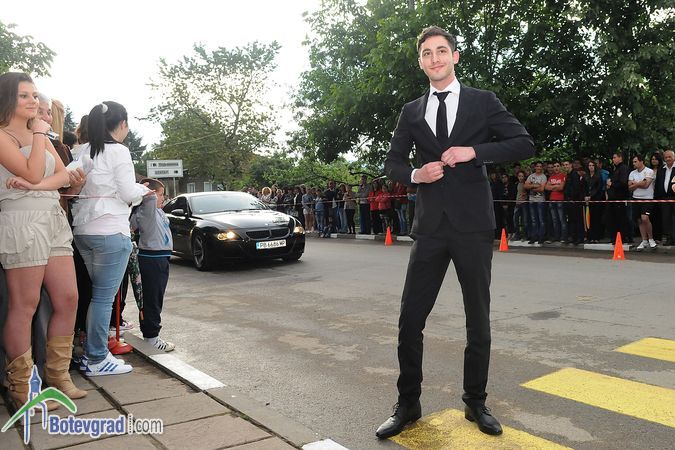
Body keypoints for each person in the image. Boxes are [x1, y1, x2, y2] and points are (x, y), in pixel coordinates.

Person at [378, 26, 534, 439]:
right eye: (427, 53)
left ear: (455, 56)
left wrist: (474, 152)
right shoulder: (411, 111)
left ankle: (475, 402)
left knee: (477, 319)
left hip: (473, 227)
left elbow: (523, 143)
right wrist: (417, 174)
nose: (435, 58)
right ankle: (408, 403)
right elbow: (393, 163)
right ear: (420, 62)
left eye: (441, 51)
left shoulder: (483, 101)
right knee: (410, 319)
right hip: (430, 228)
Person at [0, 72, 85, 407]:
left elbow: (63, 175)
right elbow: (34, 171)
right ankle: (22, 387)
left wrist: (36, 185)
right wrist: (38, 134)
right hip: (22, 220)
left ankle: (58, 375)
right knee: (25, 305)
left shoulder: (38, 132)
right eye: (24, 95)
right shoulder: (4, 135)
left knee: (68, 297)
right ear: (7, 98)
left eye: (35, 95)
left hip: (52, 216)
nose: (33, 101)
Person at [70, 101, 150, 376]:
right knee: (103, 298)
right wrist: (143, 190)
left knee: (97, 296)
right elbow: (128, 193)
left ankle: (92, 354)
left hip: (83, 230)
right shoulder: (119, 151)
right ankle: (96, 358)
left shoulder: (83, 150)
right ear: (122, 124)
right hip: (110, 230)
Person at [130, 178, 175, 351]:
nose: (163, 198)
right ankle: (151, 337)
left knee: (156, 297)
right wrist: (145, 191)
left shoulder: (158, 211)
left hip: (160, 258)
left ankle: (151, 334)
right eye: (161, 194)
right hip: (152, 258)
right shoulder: (147, 210)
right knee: (152, 299)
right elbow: (148, 199)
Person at [628, 154, 657, 250]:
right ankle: (644, 240)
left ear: (641, 161)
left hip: (647, 198)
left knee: (645, 218)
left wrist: (635, 183)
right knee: (639, 220)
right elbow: (630, 188)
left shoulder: (649, 171)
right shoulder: (632, 173)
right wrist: (641, 182)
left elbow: (646, 185)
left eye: (635, 161)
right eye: (633, 162)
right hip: (636, 198)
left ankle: (651, 239)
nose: (634, 163)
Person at [606, 152, 630, 243]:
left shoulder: (623, 168)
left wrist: (611, 184)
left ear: (620, 158)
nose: (613, 159)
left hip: (619, 197)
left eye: (614, 157)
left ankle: (622, 237)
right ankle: (615, 237)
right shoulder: (615, 169)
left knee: (620, 218)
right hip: (613, 198)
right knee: (613, 218)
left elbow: (623, 183)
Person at [654, 149, 675, 246]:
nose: (668, 159)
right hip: (664, 198)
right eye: (666, 157)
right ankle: (669, 238)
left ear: (674, 157)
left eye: (669, 157)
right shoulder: (661, 169)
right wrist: (657, 198)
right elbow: (657, 184)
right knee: (666, 219)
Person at [524, 162, 547, 244]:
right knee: (533, 220)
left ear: (542, 168)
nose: (539, 168)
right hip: (532, 200)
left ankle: (541, 237)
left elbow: (542, 189)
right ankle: (534, 236)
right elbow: (525, 186)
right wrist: (535, 185)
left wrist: (531, 186)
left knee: (541, 219)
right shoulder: (531, 176)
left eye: (540, 166)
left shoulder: (543, 176)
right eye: (537, 166)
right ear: (535, 167)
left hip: (540, 200)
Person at [545, 162, 567, 243]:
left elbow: (561, 188)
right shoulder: (551, 177)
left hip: (560, 200)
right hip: (552, 200)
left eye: (558, 166)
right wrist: (556, 186)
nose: (556, 168)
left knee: (562, 219)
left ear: (560, 167)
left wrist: (552, 186)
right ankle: (556, 237)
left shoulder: (563, 176)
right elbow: (546, 187)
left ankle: (563, 237)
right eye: (554, 166)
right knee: (554, 220)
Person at [585, 160, 604, 243]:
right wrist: (586, 196)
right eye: (589, 165)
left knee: (596, 219)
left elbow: (598, 188)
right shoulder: (586, 176)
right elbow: (584, 187)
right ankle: (590, 236)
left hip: (596, 200)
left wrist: (591, 196)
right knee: (589, 218)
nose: (591, 167)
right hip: (587, 200)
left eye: (592, 165)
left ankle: (596, 237)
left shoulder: (598, 176)